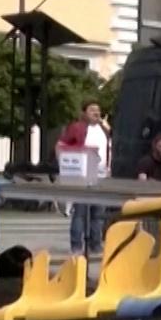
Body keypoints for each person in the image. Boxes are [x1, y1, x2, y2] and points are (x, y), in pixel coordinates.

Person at [62, 100, 110, 257]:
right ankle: (76, 246)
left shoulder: (104, 129)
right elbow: (63, 146)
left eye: (98, 110)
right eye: (92, 110)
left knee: (98, 213)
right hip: (82, 176)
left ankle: (96, 245)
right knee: (80, 213)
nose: (96, 113)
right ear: (84, 113)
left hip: (101, 175)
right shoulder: (77, 128)